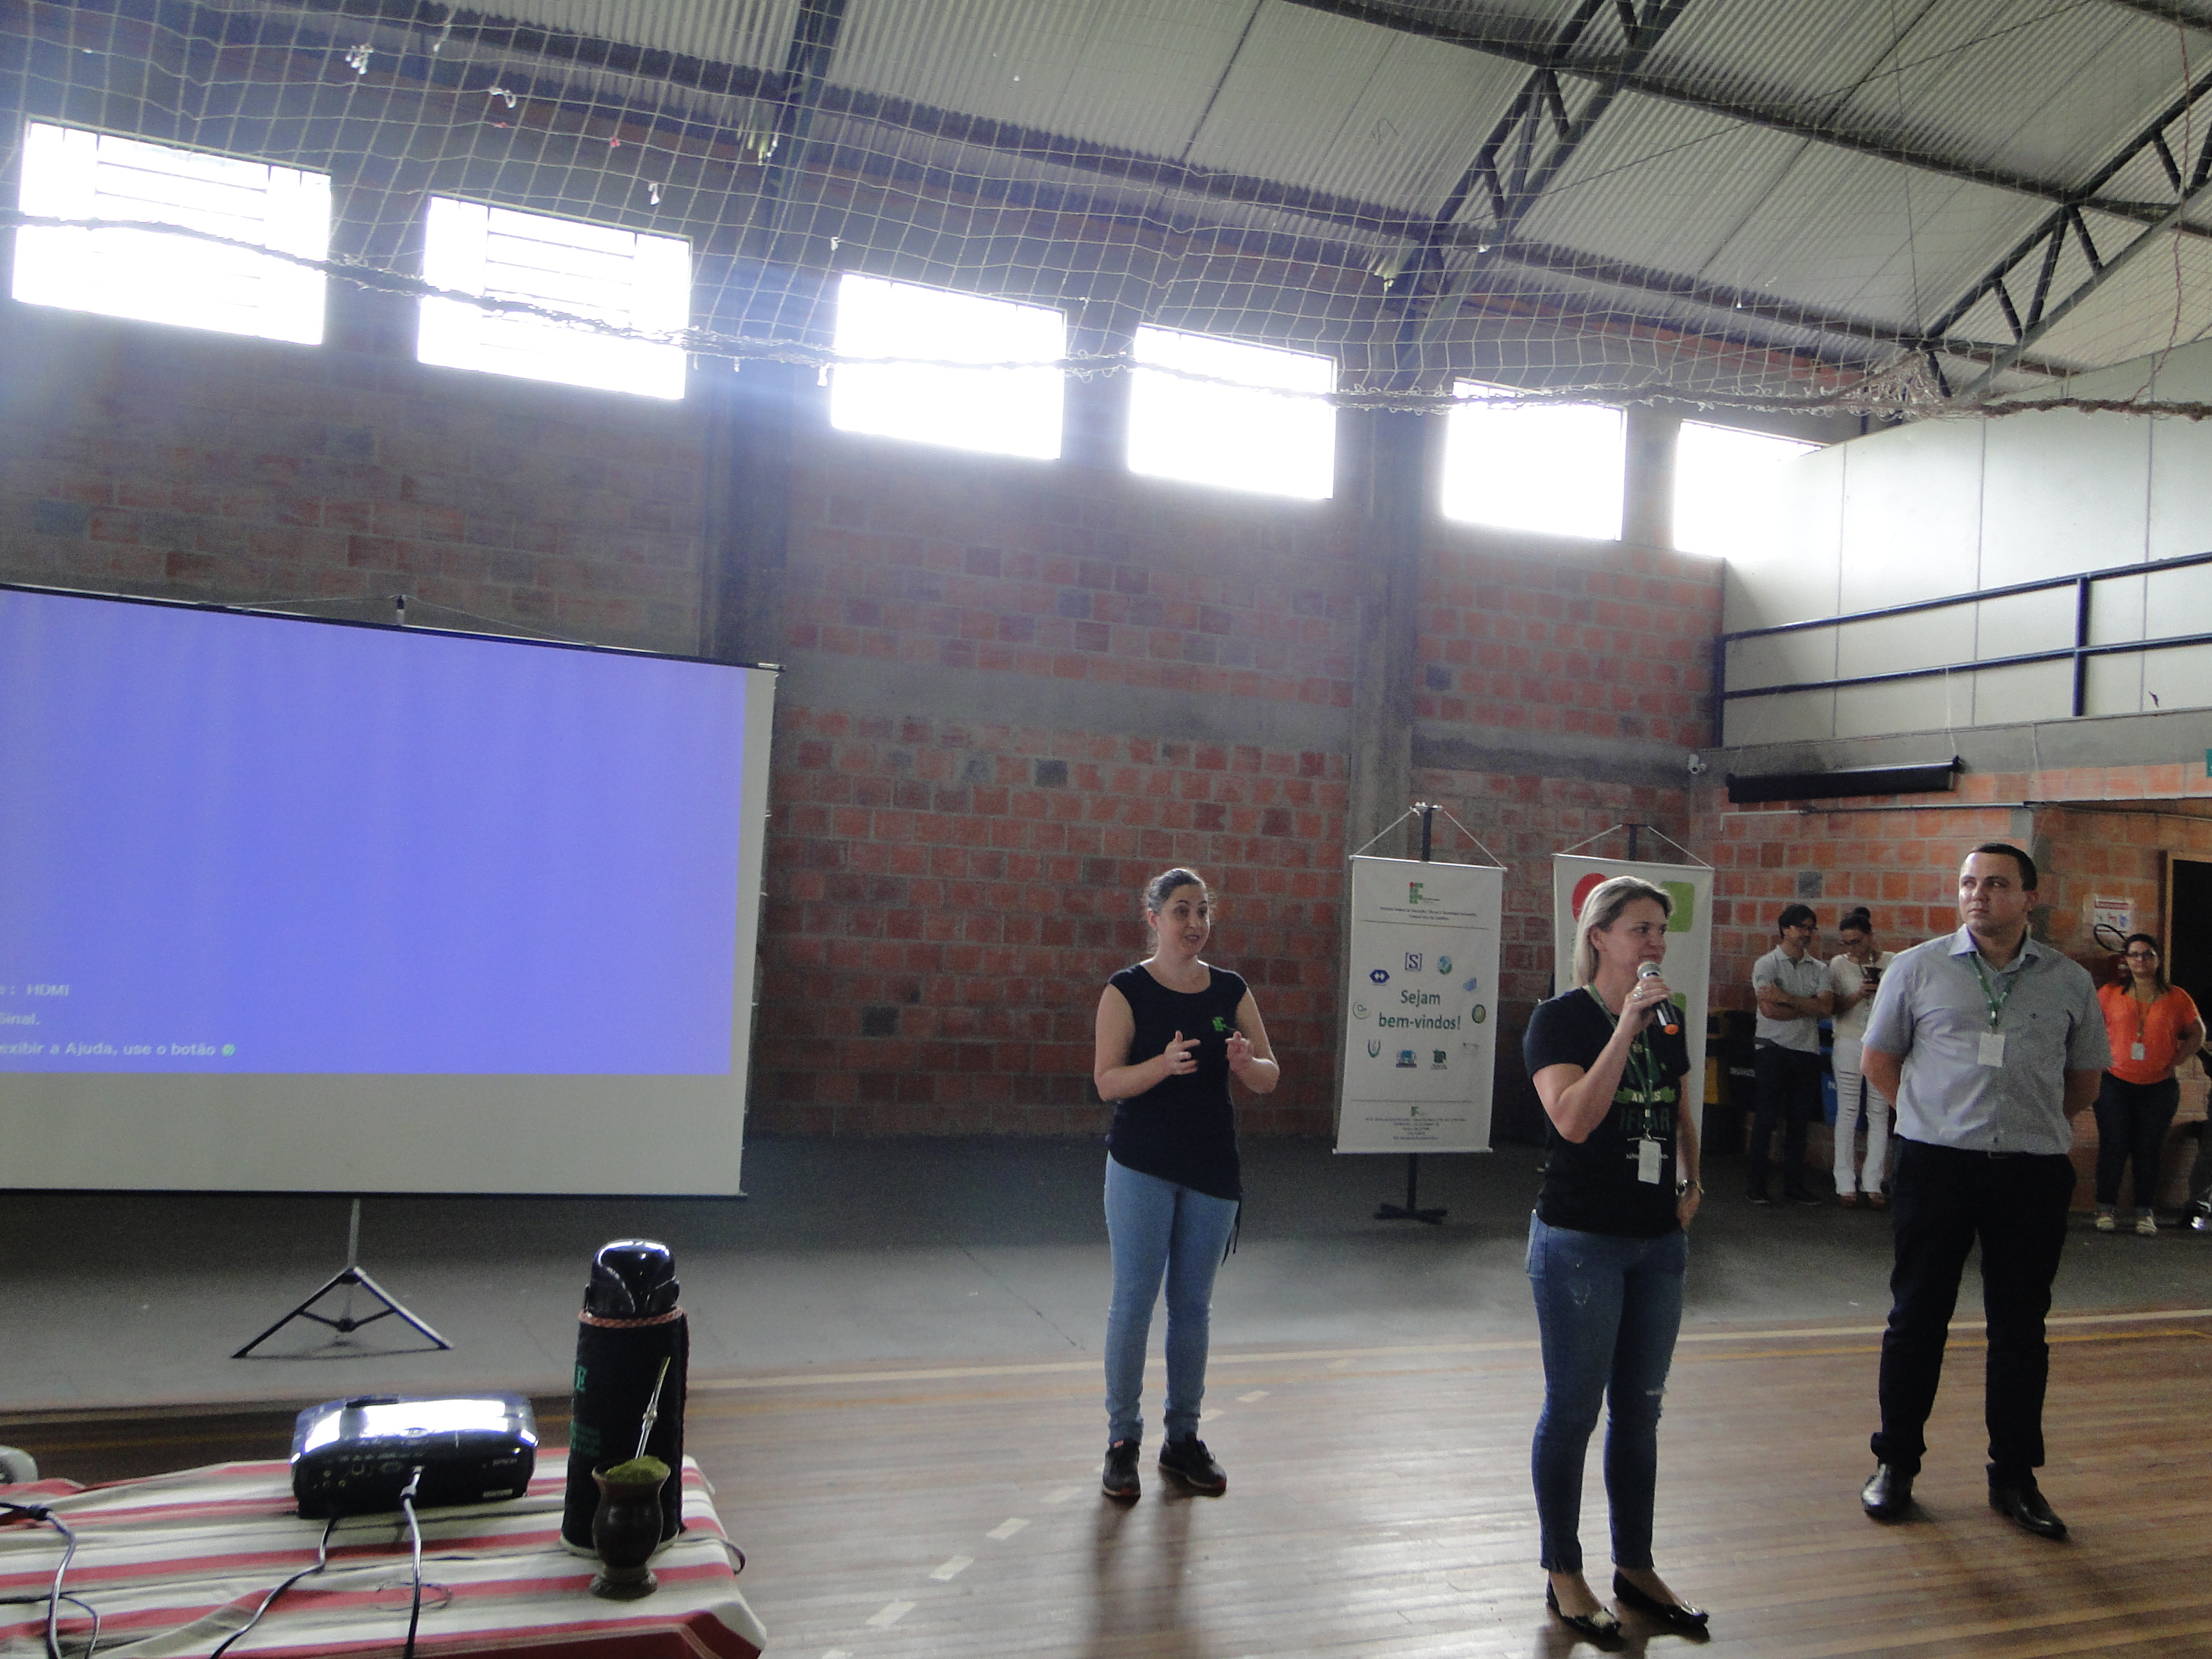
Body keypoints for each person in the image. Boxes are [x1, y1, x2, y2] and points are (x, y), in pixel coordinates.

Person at [1857, 844, 2107, 1540]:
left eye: (1996, 884)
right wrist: (1931, 1121)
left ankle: (2015, 1477)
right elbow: (1879, 1061)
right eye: (1969, 882)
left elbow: (2085, 1080)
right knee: (1917, 1317)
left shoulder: (2068, 980)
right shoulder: (1917, 968)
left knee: (2021, 1326)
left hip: (2031, 1171)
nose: (1977, 894)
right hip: (1937, 1165)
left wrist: (2029, 1123)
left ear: (2030, 897)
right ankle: (1896, 1463)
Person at [1521, 876, 1708, 1640]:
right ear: (1598, 937)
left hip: (1657, 1242)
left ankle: (1636, 1566)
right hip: (1580, 1243)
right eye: (1640, 928)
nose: (1656, 942)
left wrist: (1693, 1178)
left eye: (1661, 929)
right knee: (1574, 1411)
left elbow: (1679, 1102)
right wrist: (1625, 1027)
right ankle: (1564, 1573)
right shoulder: (1560, 1020)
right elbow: (1573, 1119)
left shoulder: (1669, 1015)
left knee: (1641, 1410)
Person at [1091, 867, 1278, 1501]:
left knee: (1193, 1306)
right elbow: (1107, 1081)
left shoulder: (1230, 990)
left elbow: (1270, 1076)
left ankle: (1183, 1438)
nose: (1194, 923)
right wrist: (1161, 1066)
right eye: (1180, 910)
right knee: (1134, 1301)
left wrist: (1247, 1063)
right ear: (1154, 919)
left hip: (1211, 1169)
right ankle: (1123, 1441)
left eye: (1202, 911)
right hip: (1142, 1165)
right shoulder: (1126, 991)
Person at [2092, 934, 2203, 1235]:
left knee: (2149, 1149)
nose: (2140, 960)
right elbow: (2088, 1029)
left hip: (2159, 1087)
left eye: (2147, 954)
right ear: (2126, 960)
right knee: (2113, 1145)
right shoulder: (2109, 993)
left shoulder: (2177, 997)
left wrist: (2177, 1061)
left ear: (2158, 959)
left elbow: (2197, 1033)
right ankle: (2105, 1209)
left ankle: (2144, 1212)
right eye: (2134, 955)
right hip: (2114, 1083)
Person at [1748, 902, 1832, 1205]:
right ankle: (1756, 1186)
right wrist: (1807, 1006)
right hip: (1772, 1050)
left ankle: (1794, 1187)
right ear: (1785, 929)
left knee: (1799, 1124)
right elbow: (1769, 1011)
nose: (1807, 933)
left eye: (1811, 928)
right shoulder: (1766, 964)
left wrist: (1785, 997)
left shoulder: (1820, 969)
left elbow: (1826, 1008)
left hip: (1806, 1052)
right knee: (1766, 1120)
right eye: (1801, 927)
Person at [1829, 908, 1898, 1208]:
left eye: (1856, 942)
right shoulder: (1839, 965)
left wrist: (1881, 991)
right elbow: (1833, 1006)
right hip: (1848, 1039)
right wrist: (1859, 994)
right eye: (1846, 943)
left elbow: (1900, 1002)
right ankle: (1844, 1182)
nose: (1852, 949)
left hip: (1880, 1042)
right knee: (1847, 1110)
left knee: (1879, 1112)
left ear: (1870, 936)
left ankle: (1873, 1182)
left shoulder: (1891, 961)